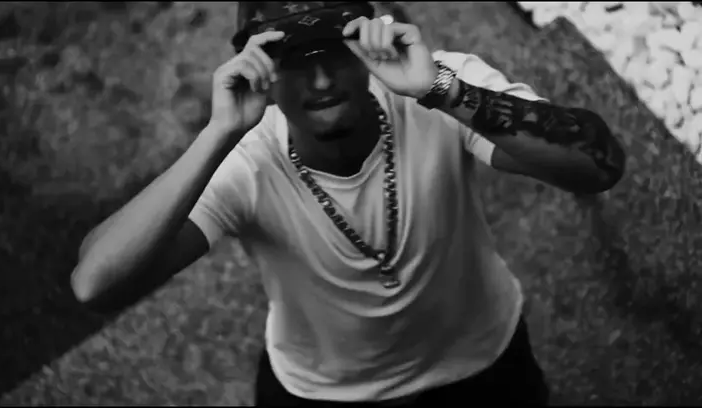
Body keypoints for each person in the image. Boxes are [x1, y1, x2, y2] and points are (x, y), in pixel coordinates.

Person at [71, 2, 626, 406]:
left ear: (369, 45)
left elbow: (598, 166)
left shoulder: (436, 85)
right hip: (323, 392)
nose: (319, 80)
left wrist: (441, 89)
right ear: (259, 71)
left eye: (336, 50)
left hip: (482, 360)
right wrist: (217, 134)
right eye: (292, 59)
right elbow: (95, 284)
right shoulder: (245, 157)